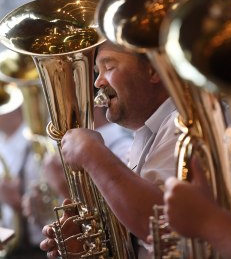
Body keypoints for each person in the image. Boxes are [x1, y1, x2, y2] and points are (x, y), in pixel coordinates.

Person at [40, 40, 179, 259]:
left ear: (153, 70)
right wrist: (90, 241)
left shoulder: (180, 123)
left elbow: (165, 229)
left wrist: (92, 153)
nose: (98, 81)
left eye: (109, 67)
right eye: (97, 71)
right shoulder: (144, 136)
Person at [0, 87, 49, 259]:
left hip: (37, 250)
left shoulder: (38, 145)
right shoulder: (2, 143)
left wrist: (15, 204)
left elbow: (50, 210)